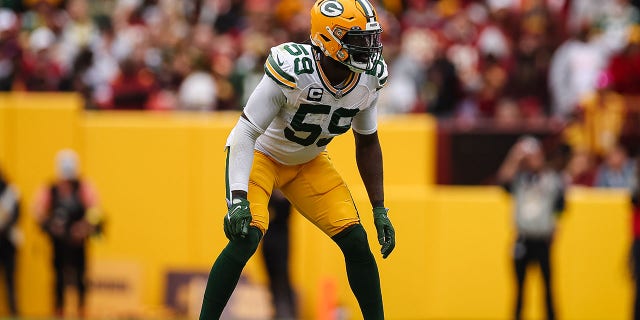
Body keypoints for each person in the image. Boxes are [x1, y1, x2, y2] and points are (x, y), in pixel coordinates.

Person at [199, 0, 396, 319]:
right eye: (359, 38)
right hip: (263, 155)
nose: (369, 47)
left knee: (357, 241)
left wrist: (379, 208)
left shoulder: (369, 78)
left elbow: (367, 141)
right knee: (245, 237)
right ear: (328, 38)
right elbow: (246, 131)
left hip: (309, 161)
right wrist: (237, 198)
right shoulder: (294, 68)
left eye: (371, 38)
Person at [497, 136, 565, 320]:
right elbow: (502, 182)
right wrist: (514, 157)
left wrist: (557, 224)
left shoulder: (551, 179)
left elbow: (561, 204)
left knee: (548, 288)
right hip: (523, 238)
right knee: (520, 289)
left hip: (543, 239)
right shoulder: (519, 179)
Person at [33, 149, 103, 318]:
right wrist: (51, 225)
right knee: (58, 277)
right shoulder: (50, 189)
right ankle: (59, 310)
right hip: (59, 241)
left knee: (80, 276)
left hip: (79, 241)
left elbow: (96, 210)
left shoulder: (85, 187)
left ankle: (81, 310)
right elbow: (37, 210)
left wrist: (83, 227)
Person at [262, 189, 296, 319]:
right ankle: (277, 310)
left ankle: (287, 312)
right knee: (272, 279)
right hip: (268, 241)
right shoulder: (267, 192)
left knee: (282, 277)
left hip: (281, 241)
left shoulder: (288, 195)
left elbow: (284, 213)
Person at [0, 168, 20, 316]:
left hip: (7, 241)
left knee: (10, 279)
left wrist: (5, 227)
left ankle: (13, 310)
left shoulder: (10, 192)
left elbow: (17, 214)